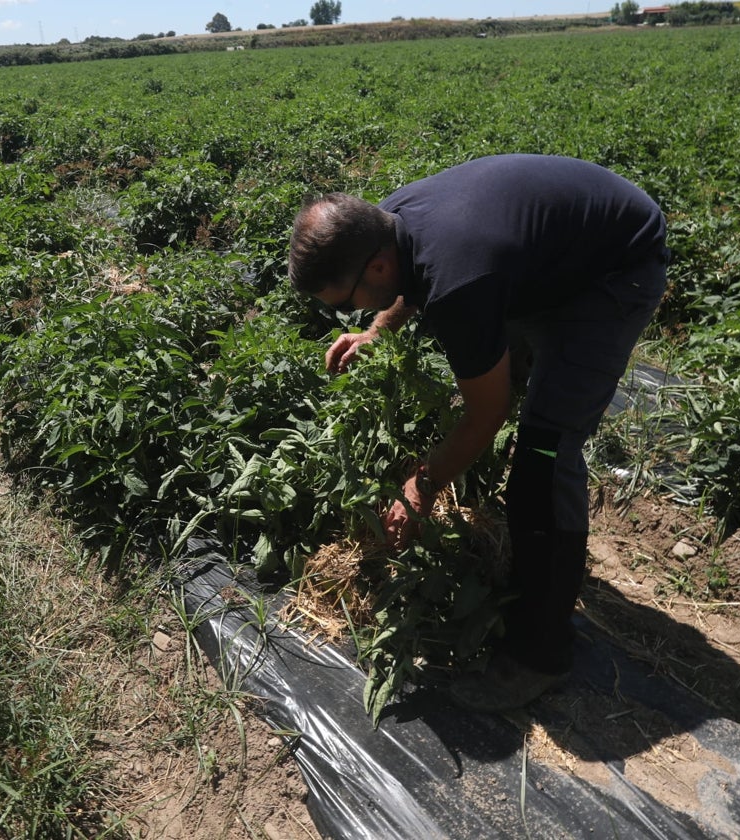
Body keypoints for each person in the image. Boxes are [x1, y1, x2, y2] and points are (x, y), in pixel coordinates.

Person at [287, 154, 669, 712]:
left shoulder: (460, 276)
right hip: (551, 252)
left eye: (346, 304)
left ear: (375, 268)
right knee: (503, 367)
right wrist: (375, 328)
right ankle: (529, 553)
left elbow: (485, 417)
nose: (349, 312)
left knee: (544, 450)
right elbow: (410, 281)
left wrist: (422, 485)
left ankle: (539, 655)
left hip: (614, 270)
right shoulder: (385, 224)